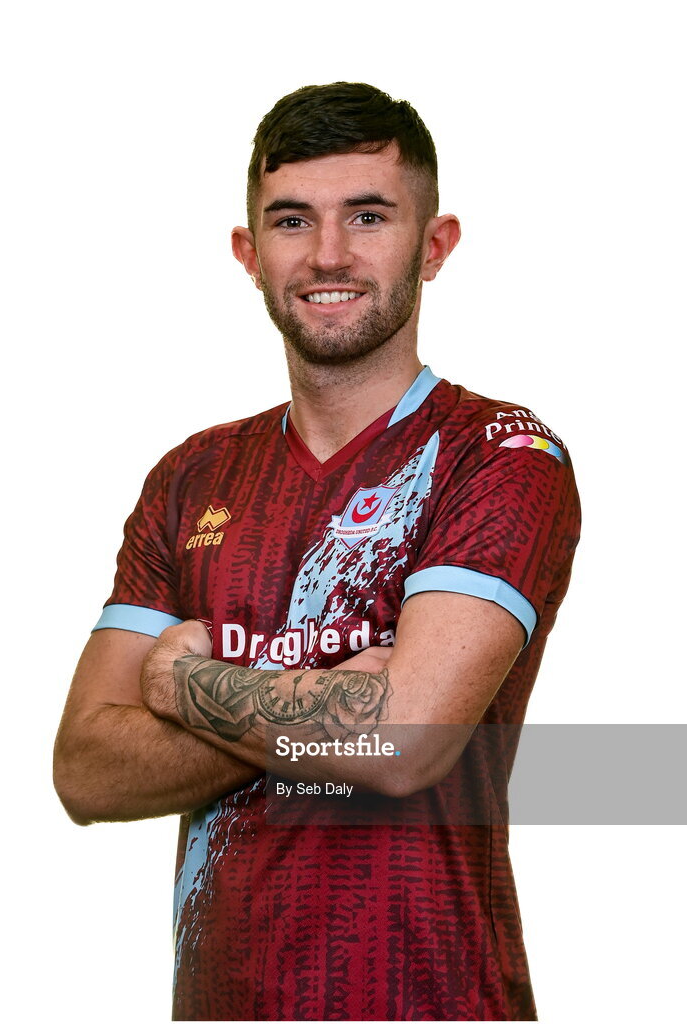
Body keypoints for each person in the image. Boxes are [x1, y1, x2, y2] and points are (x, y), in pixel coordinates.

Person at [54, 82, 580, 1021]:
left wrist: (184, 686)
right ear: (249, 254)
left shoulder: (501, 453)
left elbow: (404, 742)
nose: (328, 254)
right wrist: (344, 698)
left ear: (435, 245)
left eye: (368, 216)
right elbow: (86, 769)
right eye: (292, 220)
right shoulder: (190, 477)